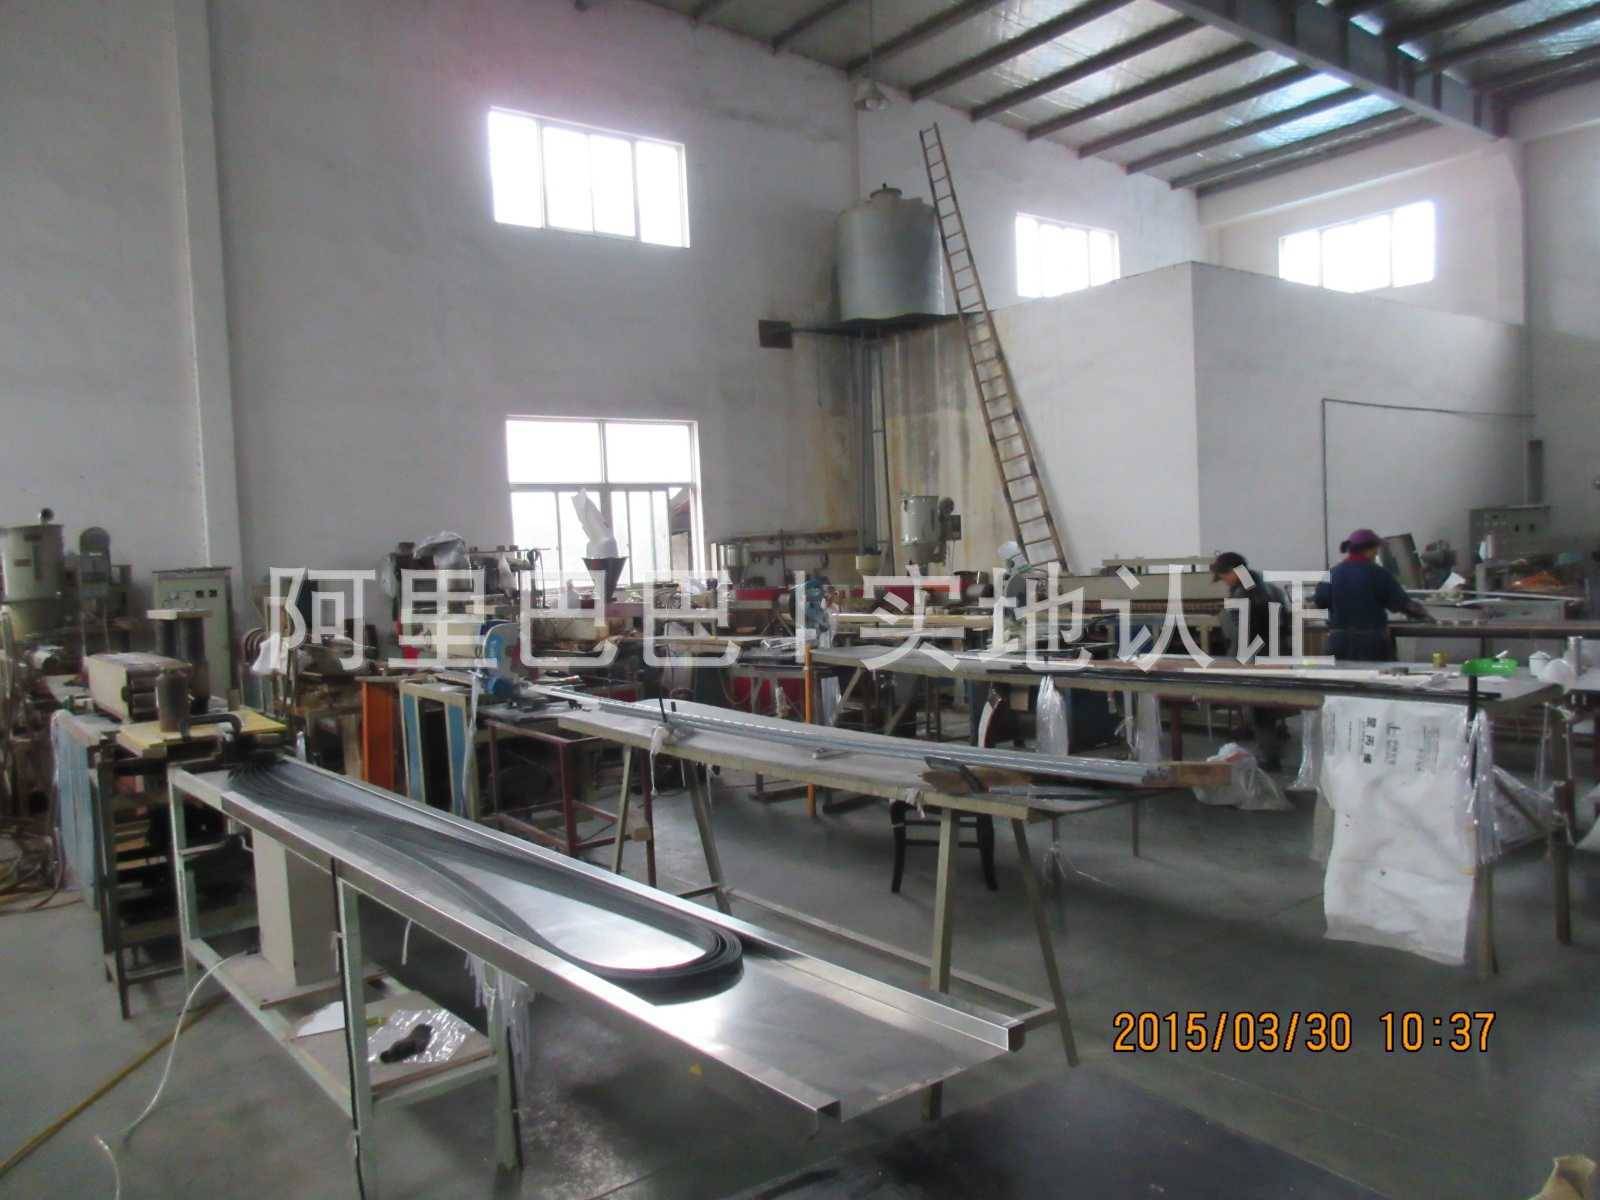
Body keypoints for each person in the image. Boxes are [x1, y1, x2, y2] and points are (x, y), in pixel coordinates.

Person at [1210, 551, 1291, 769]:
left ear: (1233, 572)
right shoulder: (1271, 588)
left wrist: (1237, 660)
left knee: (1259, 709)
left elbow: (1242, 634)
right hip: (1277, 653)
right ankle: (1272, 750)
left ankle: (1270, 759)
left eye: (1224, 576)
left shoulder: (1242, 595)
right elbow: (1285, 622)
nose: (1224, 581)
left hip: (1256, 657)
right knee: (1270, 706)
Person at [1313, 528, 1431, 662]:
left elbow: (1319, 601)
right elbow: (1401, 603)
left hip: (1338, 642)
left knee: (1341, 675)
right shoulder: (1378, 574)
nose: (1376, 553)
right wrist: (1423, 615)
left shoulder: (1332, 573)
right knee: (1375, 675)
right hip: (1371, 644)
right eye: (1375, 549)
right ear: (1368, 550)